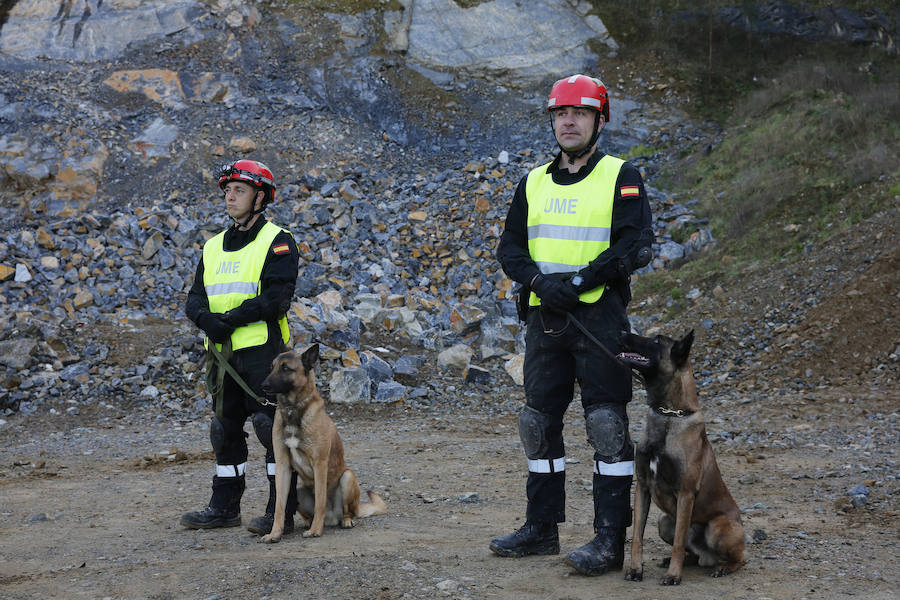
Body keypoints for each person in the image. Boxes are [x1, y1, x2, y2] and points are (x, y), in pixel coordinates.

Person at [490, 74, 653, 576]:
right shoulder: (532, 182)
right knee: (537, 424)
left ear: (598, 120)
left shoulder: (621, 176)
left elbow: (634, 244)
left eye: (579, 113)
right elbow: (510, 248)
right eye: (561, 113)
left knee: (607, 425)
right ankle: (541, 528)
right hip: (545, 318)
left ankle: (610, 539)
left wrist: (581, 279)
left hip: (599, 316)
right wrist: (540, 282)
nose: (569, 121)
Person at [181, 159, 300, 534]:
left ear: (260, 197)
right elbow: (195, 298)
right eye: (228, 190)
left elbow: (275, 299)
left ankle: (279, 511)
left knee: (270, 428)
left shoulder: (278, 240)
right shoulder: (214, 245)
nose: (230, 197)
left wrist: (225, 320)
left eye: (240, 191)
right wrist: (206, 321)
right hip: (224, 357)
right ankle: (224, 506)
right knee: (224, 428)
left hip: (265, 354)